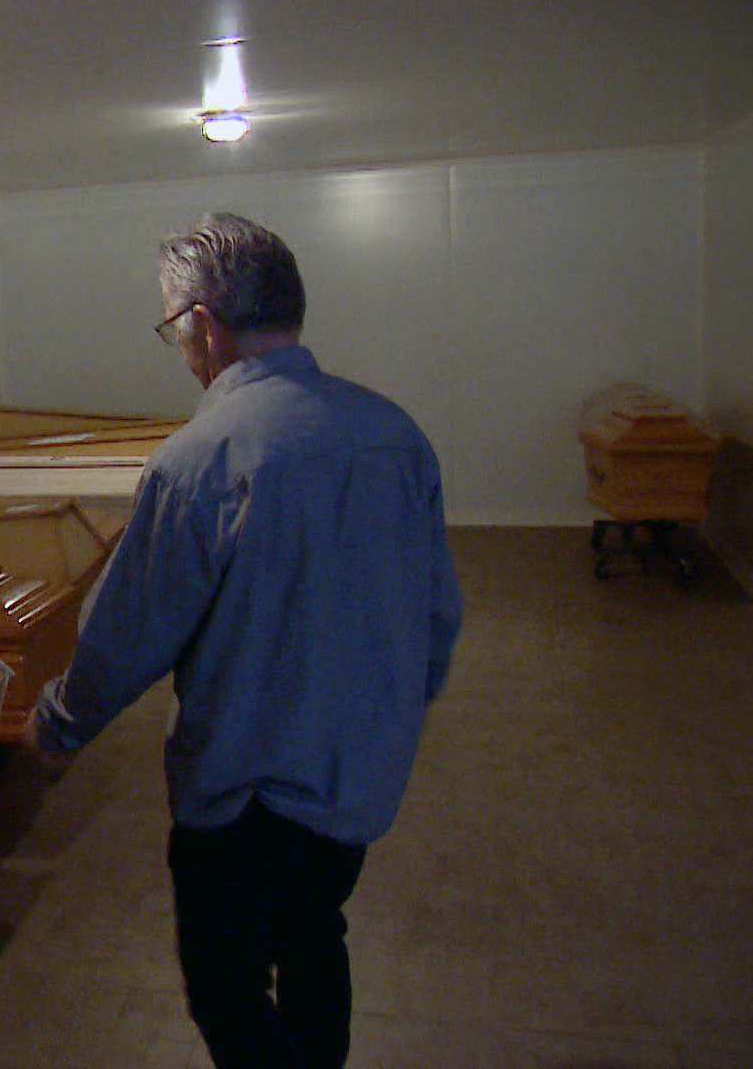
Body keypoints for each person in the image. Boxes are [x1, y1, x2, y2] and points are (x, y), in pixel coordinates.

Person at [24, 212, 462, 1069]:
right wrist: (386, 717)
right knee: (313, 938)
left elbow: (129, 631)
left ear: (202, 326)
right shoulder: (396, 435)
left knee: (226, 989)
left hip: (244, 792)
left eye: (172, 327)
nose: (180, 347)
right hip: (357, 779)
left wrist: (61, 724)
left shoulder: (200, 459)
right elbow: (436, 615)